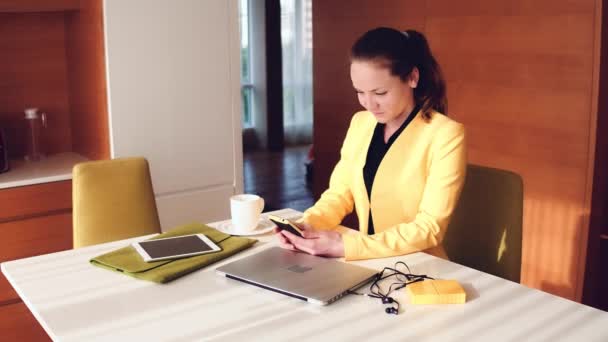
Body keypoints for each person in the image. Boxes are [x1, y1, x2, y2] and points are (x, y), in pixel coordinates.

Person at [276, 27, 467, 261]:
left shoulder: (445, 135)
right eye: (360, 92)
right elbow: (340, 194)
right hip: (368, 263)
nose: (369, 104)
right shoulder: (360, 123)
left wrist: (348, 246)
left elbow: (430, 227)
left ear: (412, 78)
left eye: (380, 92)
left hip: (417, 265)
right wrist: (307, 225)